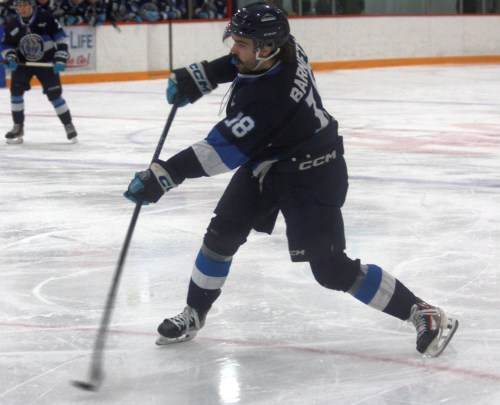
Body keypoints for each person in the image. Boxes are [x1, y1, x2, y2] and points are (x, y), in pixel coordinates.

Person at [124, 1, 459, 357]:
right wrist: (204, 74)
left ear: (266, 47)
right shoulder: (284, 46)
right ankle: (195, 313)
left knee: (330, 270)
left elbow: (218, 151)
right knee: (220, 237)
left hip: (313, 173)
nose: (232, 49)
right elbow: (243, 64)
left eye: (241, 42)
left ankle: (422, 311)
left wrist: (165, 174)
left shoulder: (270, 99)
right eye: (233, 39)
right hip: (271, 161)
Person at [1, 0, 77, 144]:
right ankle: (18, 126)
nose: (22, 9)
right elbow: (6, 45)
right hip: (23, 64)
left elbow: (62, 38)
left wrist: (60, 58)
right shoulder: (12, 25)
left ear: (31, 5)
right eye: (19, 6)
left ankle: (68, 124)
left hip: (46, 63)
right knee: (16, 92)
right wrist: (10, 56)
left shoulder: (46, 18)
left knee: (54, 95)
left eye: (25, 5)